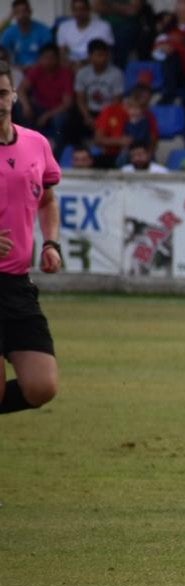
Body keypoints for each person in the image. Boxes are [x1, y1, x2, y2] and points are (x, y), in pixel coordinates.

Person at [0, 61, 62, 417]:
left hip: (18, 286)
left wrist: (50, 243)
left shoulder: (36, 143)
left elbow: (48, 200)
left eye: (3, 93)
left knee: (41, 387)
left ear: (14, 95)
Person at [20, 44, 74, 152]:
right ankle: (25, 146)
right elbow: (21, 90)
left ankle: (56, 153)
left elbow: (67, 103)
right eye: (45, 58)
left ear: (58, 59)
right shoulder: (37, 70)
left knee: (59, 119)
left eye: (51, 58)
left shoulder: (65, 73)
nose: (48, 61)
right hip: (39, 108)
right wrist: (26, 106)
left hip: (57, 111)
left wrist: (47, 116)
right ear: (40, 59)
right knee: (19, 106)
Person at [56, 0, 114, 67]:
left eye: (82, 9)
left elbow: (107, 53)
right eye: (75, 10)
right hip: (71, 66)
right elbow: (62, 53)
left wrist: (82, 64)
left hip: (95, 66)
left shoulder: (103, 27)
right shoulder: (64, 27)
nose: (79, 13)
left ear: (89, 10)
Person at [0, 0, 52, 69]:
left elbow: (49, 55)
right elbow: (2, 51)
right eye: (18, 12)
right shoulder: (10, 32)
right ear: (14, 14)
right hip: (17, 69)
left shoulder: (43, 30)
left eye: (24, 11)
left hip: (40, 70)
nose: (21, 15)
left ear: (30, 12)